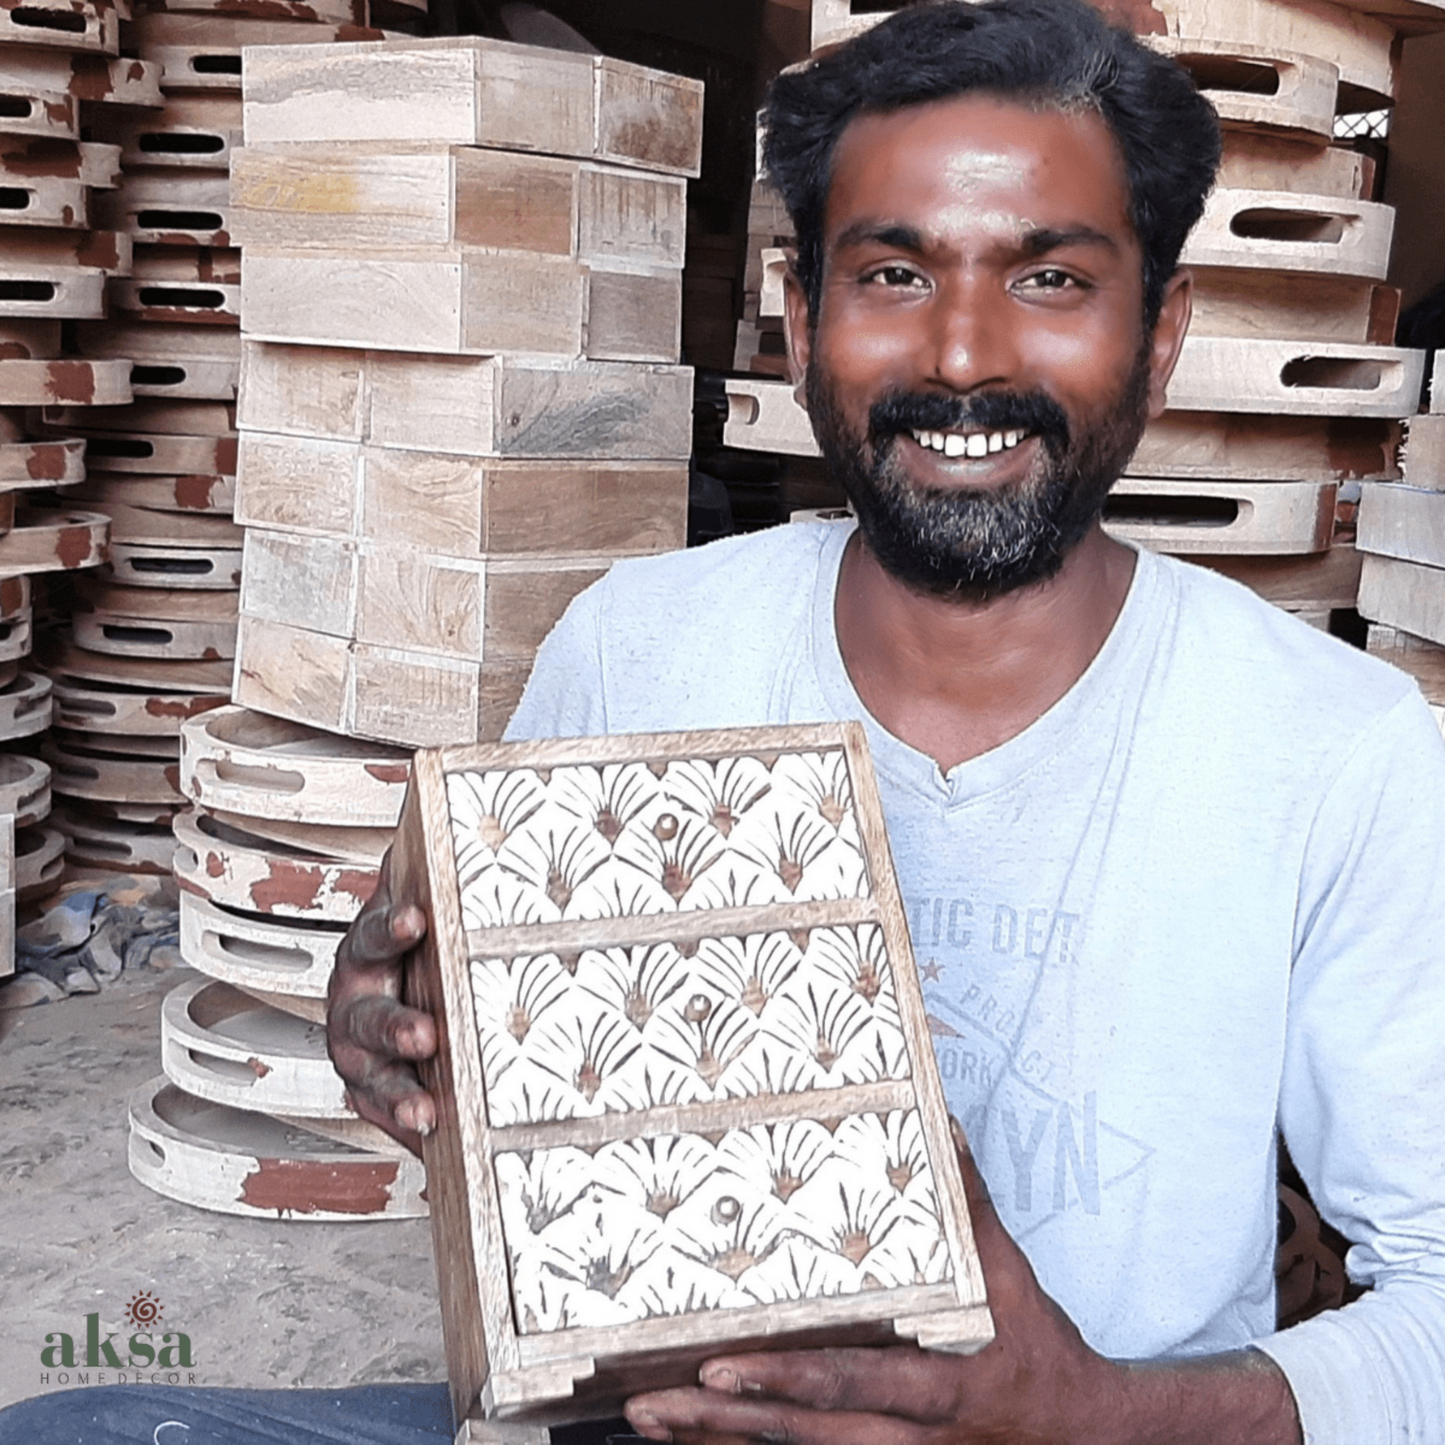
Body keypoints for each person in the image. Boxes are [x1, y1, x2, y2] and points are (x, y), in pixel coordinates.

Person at [332, 2, 1445, 1442]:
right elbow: (473, 1040)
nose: (966, 356)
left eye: (1049, 276)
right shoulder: (642, 645)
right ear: (804, 320)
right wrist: (397, 1022)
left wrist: (1084, 1413)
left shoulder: (1338, 750)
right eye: (895, 272)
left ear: (1161, 336)